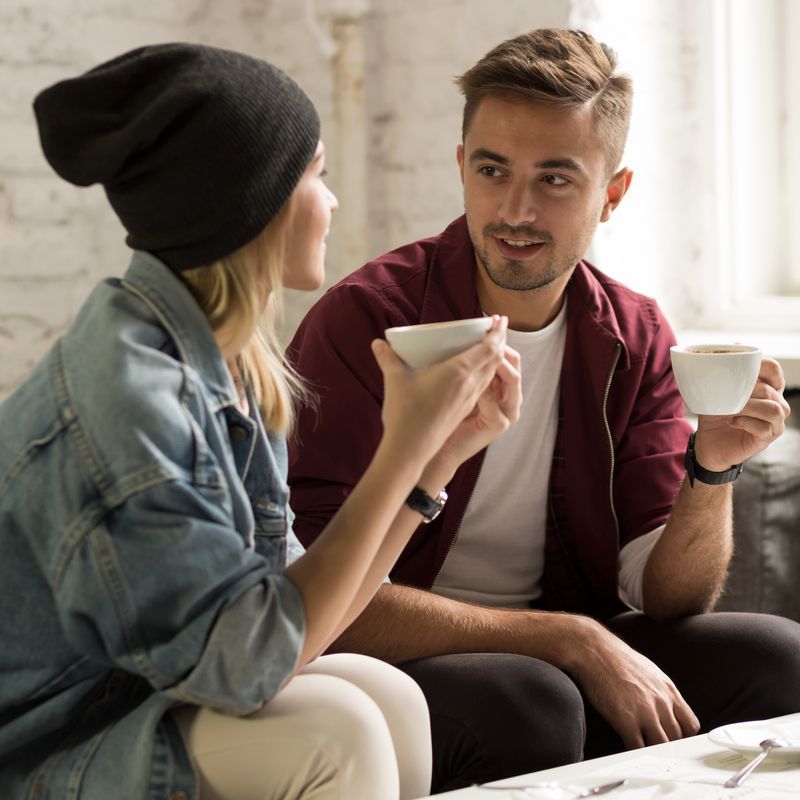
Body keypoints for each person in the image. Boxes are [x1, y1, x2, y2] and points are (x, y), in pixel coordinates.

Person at [0, 43, 523, 800]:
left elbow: (303, 610)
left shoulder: (227, 356)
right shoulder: (131, 402)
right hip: (56, 745)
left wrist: (438, 458)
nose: (333, 200)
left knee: (390, 697)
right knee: (336, 731)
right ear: (248, 203)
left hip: (141, 701)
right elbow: (254, 664)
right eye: (314, 173)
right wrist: (400, 446)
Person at [287, 28, 800, 793]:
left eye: (556, 179)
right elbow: (318, 600)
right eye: (493, 170)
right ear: (462, 168)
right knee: (533, 701)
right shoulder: (366, 323)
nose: (515, 210)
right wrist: (568, 640)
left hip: (564, 657)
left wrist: (711, 468)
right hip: (405, 661)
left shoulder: (635, 335)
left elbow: (668, 597)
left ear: (613, 194)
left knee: (777, 656)